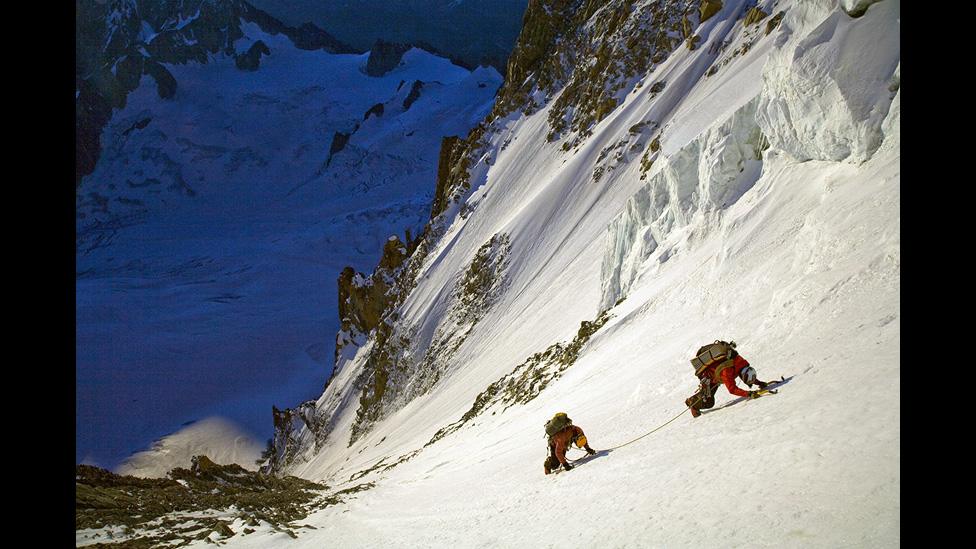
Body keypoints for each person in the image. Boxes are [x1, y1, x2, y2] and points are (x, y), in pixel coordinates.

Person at [685, 340, 770, 418]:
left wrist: (760, 383)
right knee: (709, 402)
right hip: (708, 376)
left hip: (715, 373)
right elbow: (732, 389)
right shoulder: (728, 370)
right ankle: (693, 404)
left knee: (708, 397)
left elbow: (747, 376)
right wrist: (749, 394)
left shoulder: (740, 363)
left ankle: (695, 401)